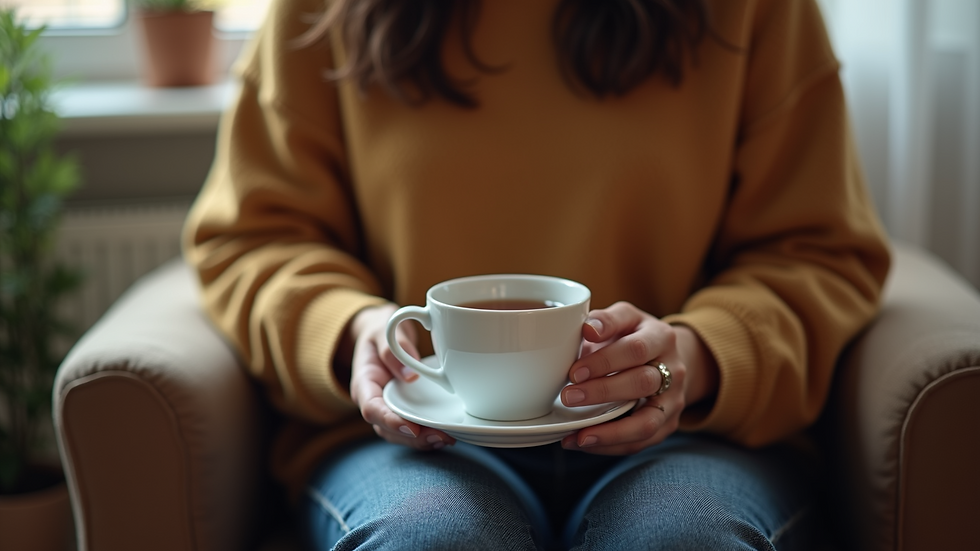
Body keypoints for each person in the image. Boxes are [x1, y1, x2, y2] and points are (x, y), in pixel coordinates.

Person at [183, 0, 891, 548]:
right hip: (416, 444)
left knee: (680, 537)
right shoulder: (318, 17)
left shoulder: (756, 14)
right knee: (430, 539)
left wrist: (697, 356)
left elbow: (818, 251)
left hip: (688, 439)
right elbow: (252, 239)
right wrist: (351, 330)